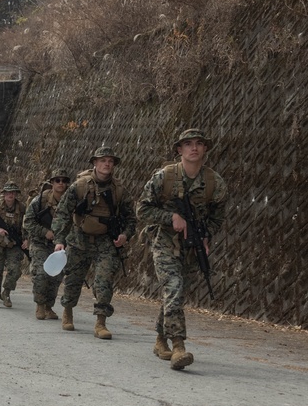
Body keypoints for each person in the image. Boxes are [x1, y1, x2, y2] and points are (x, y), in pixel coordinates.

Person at [137, 129, 226, 370]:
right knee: (174, 287)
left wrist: (204, 236)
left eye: (199, 144)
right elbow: (142, 210)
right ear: (179, 150)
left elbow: (217, 218)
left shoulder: (214, 183)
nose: (193, 148)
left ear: (205, 148)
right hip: (164, 243)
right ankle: (178, 346)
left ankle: (159, 340)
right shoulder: (164, 176)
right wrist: (171, 217)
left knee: (174, 295)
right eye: (188, 144)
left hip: (190, 247)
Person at [52, 147, 137, 338]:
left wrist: (124, 235)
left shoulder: (120, 191)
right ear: (95, 163)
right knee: (73, 279)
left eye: (110, 161)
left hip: (106, 242)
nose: (107, 164)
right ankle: (68, 310)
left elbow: (131, 218)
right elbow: (63, 213)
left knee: (104, 280)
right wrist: (59, 240)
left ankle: (100, 322)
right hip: (78, 239)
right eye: (103, 160)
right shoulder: (79, 187)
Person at [23, 169, 70, 320]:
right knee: (42, 274)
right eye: (58, 180)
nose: (61, 183)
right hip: (40, 243)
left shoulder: (71, 200)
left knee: (56, 277)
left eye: (64, 180)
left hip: (61, 245)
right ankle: (40, 305)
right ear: (52, 183)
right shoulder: (40, 201)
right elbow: (28, 222)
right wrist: (45, 232)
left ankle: (49, 306)